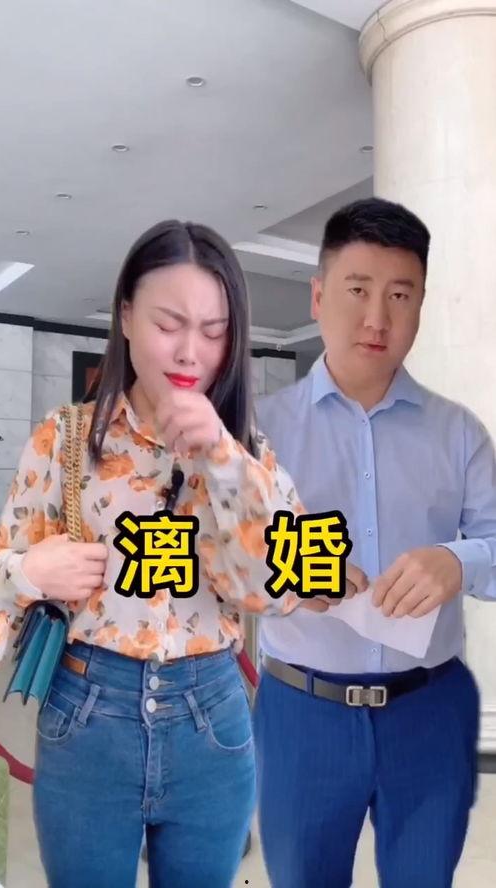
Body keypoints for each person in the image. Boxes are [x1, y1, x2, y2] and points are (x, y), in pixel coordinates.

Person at [0, 219, 365, 888]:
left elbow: (288, 585)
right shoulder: (64, 441)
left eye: (214, 331)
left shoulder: (247, 449)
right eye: (169, 324)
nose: (191, 351)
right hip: (87, 714)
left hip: (211, 720)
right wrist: (27, 573)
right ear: (126, 316)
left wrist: (223, 459)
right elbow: (5, 578)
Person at [254, 197, 496, 888]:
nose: (377, 319)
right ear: (318, 295)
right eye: (358, 290)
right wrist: (282, 576)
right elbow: (206, 559)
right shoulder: (256, 433)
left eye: (400, 295)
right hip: (302, 714)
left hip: (430, 712)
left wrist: (460, 561)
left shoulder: (458, 433)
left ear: (421, 304)